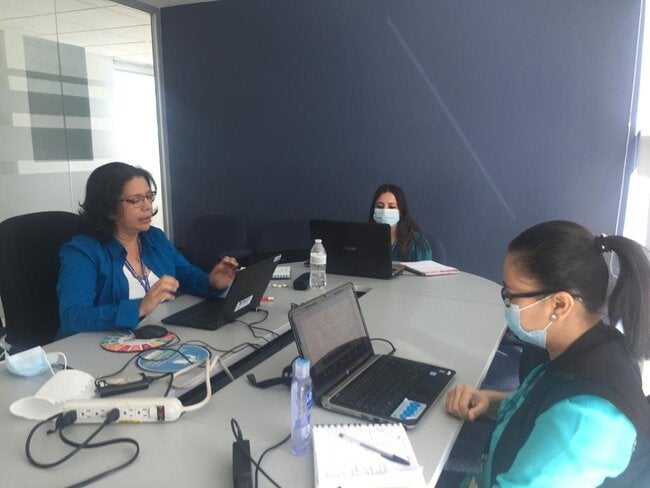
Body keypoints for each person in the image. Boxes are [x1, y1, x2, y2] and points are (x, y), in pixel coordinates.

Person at [445, 220, 650, 487]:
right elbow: (540, 400)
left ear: (559, 304)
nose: (506, 301)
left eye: (510, 294)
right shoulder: (587, 346)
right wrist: (491, 400)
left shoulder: (584, 420)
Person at [56, 162, 238, 339]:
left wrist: (212, 282)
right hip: (99, 349)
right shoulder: (81, 252)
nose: (148, 206)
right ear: (108, 209)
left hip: (158, 339)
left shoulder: (154, 237)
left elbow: (186, 276)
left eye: (149, 196)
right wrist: (139, 308)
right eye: (136, 200)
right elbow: (73, 317)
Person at [368, 184, 432, 262]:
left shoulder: (417, 243)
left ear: (401, 211)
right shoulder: (365, 239)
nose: (384, 212)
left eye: (391, 207)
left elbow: (425, 268)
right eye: (380, 206)